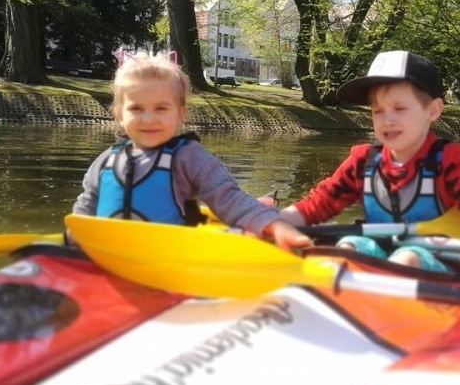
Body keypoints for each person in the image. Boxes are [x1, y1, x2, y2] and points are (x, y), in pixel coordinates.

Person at [278, 50, 460, 283]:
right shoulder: (362, 160)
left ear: (433, 111)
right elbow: (317, 204)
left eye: (399, 108)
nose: (387, 120)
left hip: (436, 262)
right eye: (377, 111)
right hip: (376, 252)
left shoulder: (449, 161)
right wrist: (267, 223)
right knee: (345, 250)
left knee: (406, 258)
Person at [72, 54, 312, 252]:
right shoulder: (106, 159)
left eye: (161, 108)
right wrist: (73, 239)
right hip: (107, 256)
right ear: (119, 114)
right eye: (136, 108)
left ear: (180, 113)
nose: (148, 118)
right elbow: (87, 204)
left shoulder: (188, 157)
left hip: (169, 260)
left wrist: (273, 224)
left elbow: (228, 197)